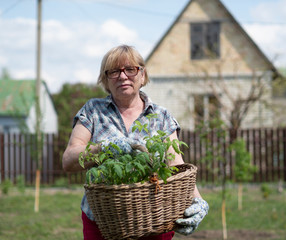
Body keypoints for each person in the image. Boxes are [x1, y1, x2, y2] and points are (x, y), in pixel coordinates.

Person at [62, 44, 209, 240]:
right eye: (114, 71)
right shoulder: (93, 111)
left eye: (130, 69)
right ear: (105, 79)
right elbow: (69, 160)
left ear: (142, 74)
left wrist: (198, 202)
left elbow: (176, 166)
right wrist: (104, 148)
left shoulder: (161, 116)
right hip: (104, 222)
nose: (123, 76)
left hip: (154, 218)